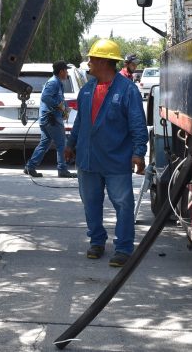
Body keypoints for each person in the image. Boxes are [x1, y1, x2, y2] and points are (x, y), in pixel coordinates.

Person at [64, 39, 148, 268]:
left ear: (103, 61)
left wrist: (139, 152)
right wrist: (71, 144)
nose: (89, 62)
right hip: (88, 159)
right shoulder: (86, 90)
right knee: (90, 203)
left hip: (115, 159)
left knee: (123, 204)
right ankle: (97, 241)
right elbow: (80, 121)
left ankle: (123, 248)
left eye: (92, 58)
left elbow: (137, 124)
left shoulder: (127, 90)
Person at [24, 61, 77, 179]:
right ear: (61, 71)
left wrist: (65, 109)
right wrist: (58, 106)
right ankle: (62, 170)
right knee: (62, 144)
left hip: (49, 118)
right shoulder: (53, 82)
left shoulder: (57, 82)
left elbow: (59, 99)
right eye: (66, 71)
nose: (67, 73)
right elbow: (45, 97)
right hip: (51, 119)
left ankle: (30, 166)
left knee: (44, 144)